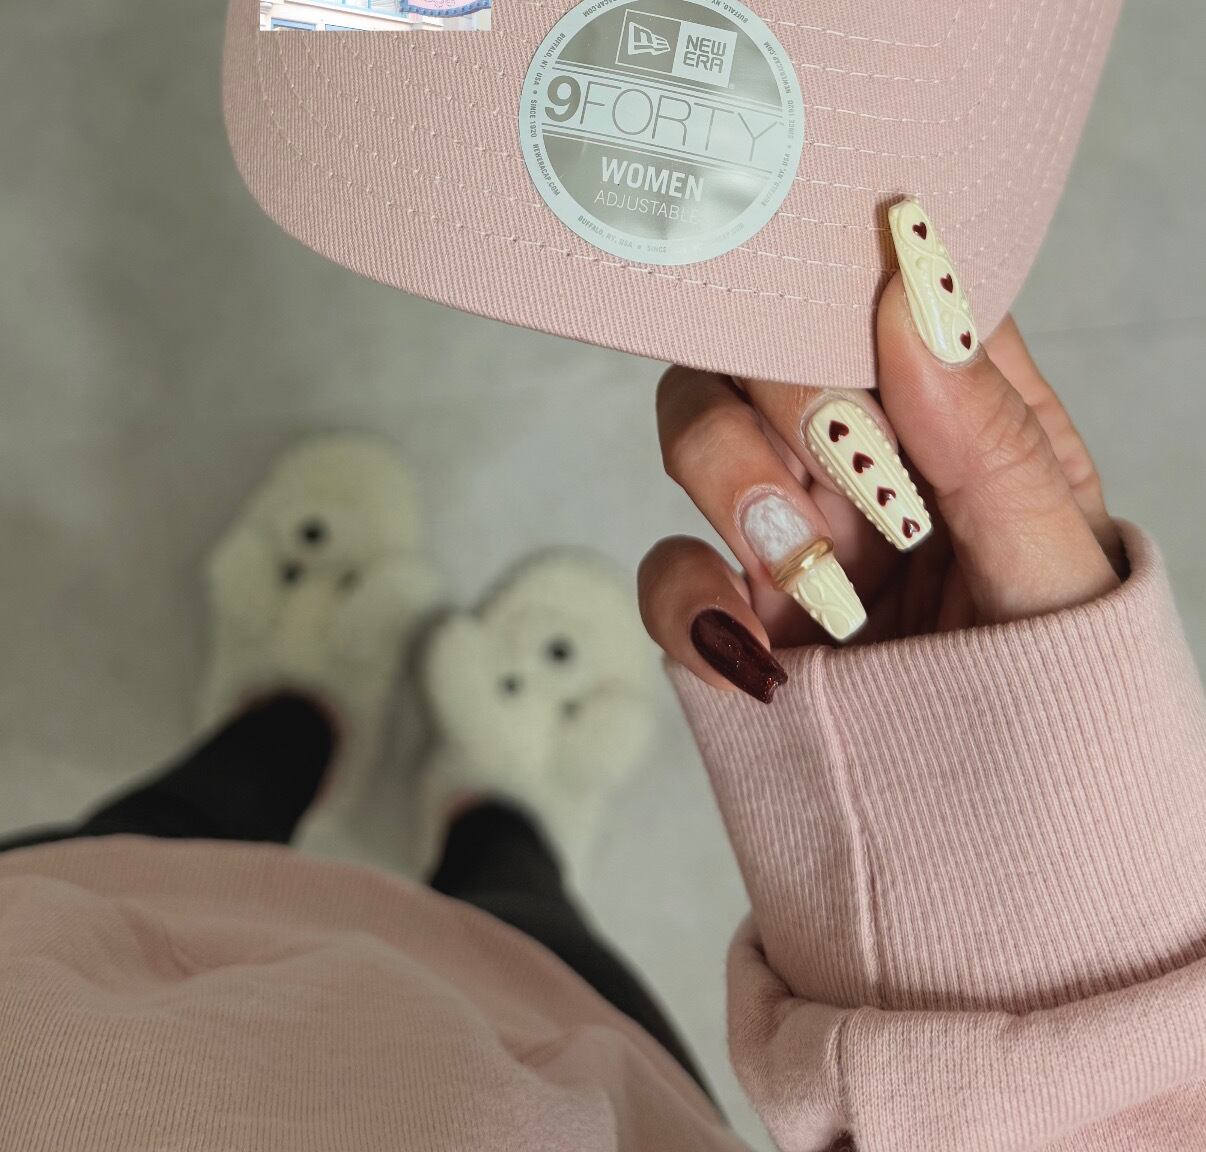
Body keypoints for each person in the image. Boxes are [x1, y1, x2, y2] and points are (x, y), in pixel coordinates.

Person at [4, 200, 1204, 1149]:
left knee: (145, 857)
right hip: (559, 1085)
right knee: (516, 920)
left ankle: (292, 715)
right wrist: (1032, 930)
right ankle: (489, 803)